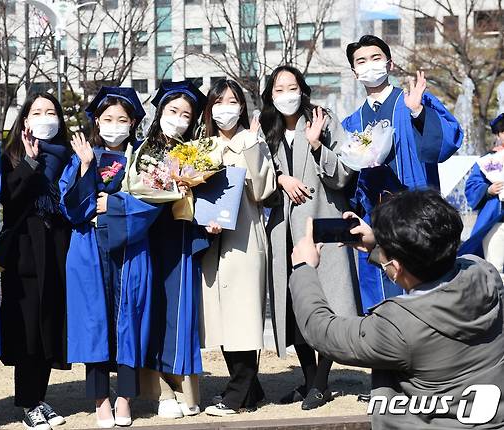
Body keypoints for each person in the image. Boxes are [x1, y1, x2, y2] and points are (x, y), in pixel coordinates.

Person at [290, 189, 504, 429]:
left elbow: (323, 332)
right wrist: (380, 248)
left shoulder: (399, 326)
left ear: (397, 266)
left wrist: (303, 268)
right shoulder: (486, 275)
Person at [59, 87, 160, 428]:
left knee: (130, 318)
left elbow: (152, 204)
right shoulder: (82, 157)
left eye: (122, 119)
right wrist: (87, 166)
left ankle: (126, 398)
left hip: (132, 251)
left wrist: (110, 208)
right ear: (97, 122)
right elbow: (72, 209)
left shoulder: (142, 161)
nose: (114, 125)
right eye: (107, 119)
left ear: (133, 123)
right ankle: (101, 399)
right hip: (89, 250)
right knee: (94, 321)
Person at [261, 65, 359, 410]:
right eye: (278, 89)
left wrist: (317, 146)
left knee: (328, 300)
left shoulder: (325, 120)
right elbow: (257, 179)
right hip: (283, 229)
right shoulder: (265, 130)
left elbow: (345, 174)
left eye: (292, 87)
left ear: (303, 90)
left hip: (322, 221)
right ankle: (307, 379)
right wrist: (280, 178)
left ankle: (321, 382)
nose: (286, 94)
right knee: (295, 301)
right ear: (270, 96)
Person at [342, 35, 463, 313]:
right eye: (361, 61)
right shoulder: (351, 122)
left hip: (418, 216)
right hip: (375, 222)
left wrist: (419, 111)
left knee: (424, 293)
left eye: (375, 58)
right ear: (354, 73)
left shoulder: (412, 102)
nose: (369, 65)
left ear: (390, 63)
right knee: (381, 299)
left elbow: (446, 143)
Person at [138, 80, 219, 419]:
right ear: (160, 112)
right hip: (150, 238)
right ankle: (157, 388)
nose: (179, 119)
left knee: (181, 312)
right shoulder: (143, 150)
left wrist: (212, 218)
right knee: (153, 312)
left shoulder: (195, 152)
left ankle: (185, 387)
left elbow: (209, 194)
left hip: (182, 239)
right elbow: (138, 190)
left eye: (186, 114)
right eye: (173, 111)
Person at [198, 79, 276, 416]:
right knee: (225, 319)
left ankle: (235, 394)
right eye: (219, 101)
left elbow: (264, 191)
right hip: (214, 240)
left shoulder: (251, 140)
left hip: (245, 237)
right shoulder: (202, 146)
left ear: (242, 107)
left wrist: (253, 148)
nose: (225, 108)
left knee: (243, 315)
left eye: (232, 101)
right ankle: (251, 389)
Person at [0, 91, 70, 430]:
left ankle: (39, 397)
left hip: (58, 250)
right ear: (25, 120)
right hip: (25, 251)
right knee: (27, 328)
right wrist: (28, 162)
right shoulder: (11, 155)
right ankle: (27, 401)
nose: (45, 117)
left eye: (51, 111)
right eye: (37, 111)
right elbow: (9, 199)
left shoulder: (68, 155)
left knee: (48, 326)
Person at [459, 113, 504, 267]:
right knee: (495, 265)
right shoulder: (488, 160)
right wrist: (488, 190)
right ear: (498, 134)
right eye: (503, 131)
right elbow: (472, 185)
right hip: (496, 220)